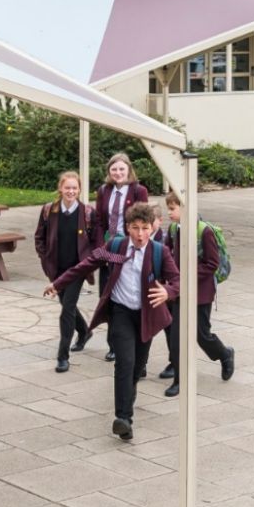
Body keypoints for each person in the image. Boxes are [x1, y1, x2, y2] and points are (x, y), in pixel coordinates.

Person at [45, 202, 179, 441]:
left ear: (152, 228)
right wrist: (58, 284)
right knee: (124, 364)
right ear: (127, 227)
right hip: (121, 313)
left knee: (137, 368)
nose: (139, 234)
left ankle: (128, 402)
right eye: (135, 228)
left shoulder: (160, 251)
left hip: (146, 316)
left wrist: (168, 292)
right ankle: (123, 419)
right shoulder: (116, 246)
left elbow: (178, 281)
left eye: (144, 228)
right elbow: (86, 264)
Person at [159, 192, 234, 398]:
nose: (169, 213)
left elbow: (212, 263)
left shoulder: (204, 231)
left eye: (173, 208)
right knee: (176, 337)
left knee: (201, 335)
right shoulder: (174, 229)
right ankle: (179, 379)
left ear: (185, 208)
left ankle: (225, 354)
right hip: (178, 291)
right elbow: (166, 253)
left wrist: (188, 275)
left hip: (200, 292)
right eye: (169, 208)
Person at [34, 171, 99, 372]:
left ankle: (63, 356)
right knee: (66, 304)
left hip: (78, 269)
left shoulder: (88, 212)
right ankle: (85, 332)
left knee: (67, 308)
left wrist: (89, 262)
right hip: (57, 269)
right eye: (67, 187)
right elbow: (39, 238)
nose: (71, 191)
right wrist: (45, 259)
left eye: (74, 188)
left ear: (79, 190)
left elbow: (96, 241)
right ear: (60, 188)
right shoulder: (48, 211)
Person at [93, 152, 150, 362]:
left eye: (121, 169)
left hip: (129, 248)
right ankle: (114, 344)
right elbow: (98, 220)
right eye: (114, 169)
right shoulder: (103, 190)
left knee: (125, 293)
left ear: (129, 170)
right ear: (109, 171)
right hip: (109, 248)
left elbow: (144, 219)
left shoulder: (138, 190)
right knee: (108, 295)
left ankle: (131, 341)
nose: (117, 173)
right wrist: (101, 247)